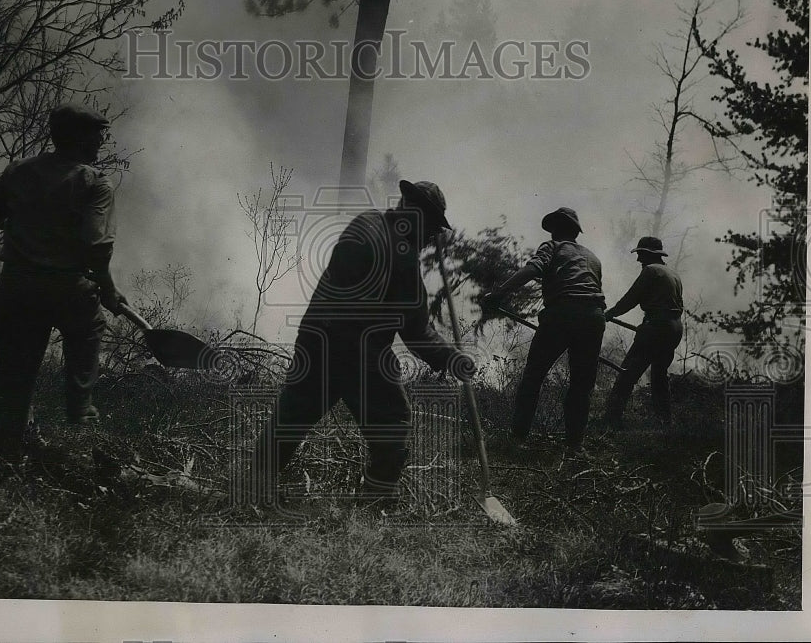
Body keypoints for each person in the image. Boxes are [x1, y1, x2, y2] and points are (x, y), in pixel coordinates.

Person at [251, 180, 475, 510]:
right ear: (418, 216)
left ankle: (255, 487)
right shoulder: (402, 257)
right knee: (394, 421)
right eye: (430, 227)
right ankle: (377, 501)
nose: (431, 237)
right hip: (357, 351)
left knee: (291, 417)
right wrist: (452, 359)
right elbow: (415, 332)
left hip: (316, 338)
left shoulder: (366, 222)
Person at [0, 104, 128, 459]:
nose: (100, 143)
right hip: (66, 287)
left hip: (16, 287)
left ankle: (1, 447)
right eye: (96, 136)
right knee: (88, 331)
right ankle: (81, 415)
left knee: (14, 368)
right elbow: (97, 245)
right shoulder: (93, 182)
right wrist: (108, 289)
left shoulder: (20, 171)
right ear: (80, 140)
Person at [483, 207, 606, 455]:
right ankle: (575, 446)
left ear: (558, 230)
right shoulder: (593, 257)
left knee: (533, 376)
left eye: (553, 229)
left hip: (562, 314)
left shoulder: (553, 248)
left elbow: (532, 270)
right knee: (582, 384)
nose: (551, 234)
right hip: (594, 317)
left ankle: (517, 439)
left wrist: (498, 294)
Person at [603, 236, 684, 427]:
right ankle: (664, 423)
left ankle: (610, 422)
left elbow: (631, 299)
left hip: (655, 328)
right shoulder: (673, 273)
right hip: (674, 329)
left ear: (648, 254)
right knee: (659, 375)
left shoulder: (650, 271)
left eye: (640, 254)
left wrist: (609, 314)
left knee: (627, 373)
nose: (638, 259)